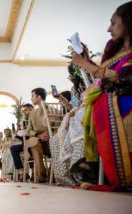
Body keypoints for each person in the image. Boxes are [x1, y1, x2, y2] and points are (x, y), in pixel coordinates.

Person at [72, 1, 132, 189]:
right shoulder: (113, 47)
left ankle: (106, 170)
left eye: (113, 23)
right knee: (78, 116)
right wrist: (87, 59)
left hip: (124, 97)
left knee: (82, 114)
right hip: (108, 98)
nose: (108, 29)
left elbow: (119, 77)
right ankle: (94, 167)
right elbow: (103, 75)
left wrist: (84, 63)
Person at [11, 88, 50, 182]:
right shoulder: (32, 114)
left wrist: (48, 133)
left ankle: (49, 172)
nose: (31, 98)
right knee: (34, 144)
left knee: (32, 144)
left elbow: (57, 125)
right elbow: (29, 131)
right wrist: (38, 134)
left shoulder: (52, 109)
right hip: (36, 138)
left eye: (33, 96)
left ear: (39, 97)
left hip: (50, 137)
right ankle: (42, 174)